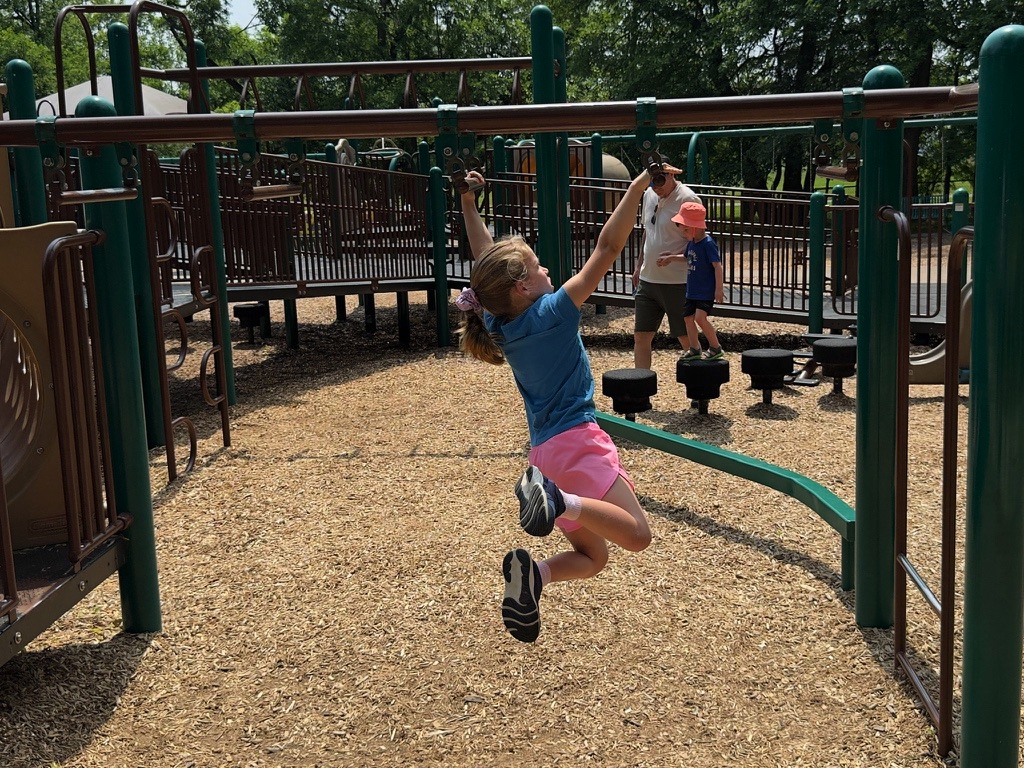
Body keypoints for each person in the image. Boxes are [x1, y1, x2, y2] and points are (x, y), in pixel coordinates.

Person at [454, 167, 654, 644]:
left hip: (544, 455)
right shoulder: (554, 312)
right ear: (522, 287)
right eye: (538, 266)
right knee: (638, 536)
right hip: (577, 442)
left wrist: (467, 202)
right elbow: (608, 248)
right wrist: (637, 188)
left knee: (593, 558)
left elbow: (486, 260)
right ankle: (559, 501)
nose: (546, 270)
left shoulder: (499, 322)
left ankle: (535, 575)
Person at [631, 162, 701, 369]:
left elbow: (698, 242)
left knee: (686, 338)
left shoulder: (688, 199)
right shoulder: (649, 194)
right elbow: (648, 231)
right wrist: (639, 265)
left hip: (677, 282)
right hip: (648, 279)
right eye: (651, 181)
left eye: (660, 180)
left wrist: (675, 258)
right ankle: (640, 385)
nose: (655, 187)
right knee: (641, 336)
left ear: (670, 175)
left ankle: (699, 384)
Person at [663, 200, 724, 360]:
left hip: (705, 291)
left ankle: (716, 347)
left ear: (694, 227)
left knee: (699, 318)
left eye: (685, 230)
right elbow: (686, 258)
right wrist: (671, 258)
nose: (684, 234)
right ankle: (695, 348)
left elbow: (717, 266)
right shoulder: (692, 243)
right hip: (692, 291)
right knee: (688, 318)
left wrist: (719, 289)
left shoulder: (708, 244)